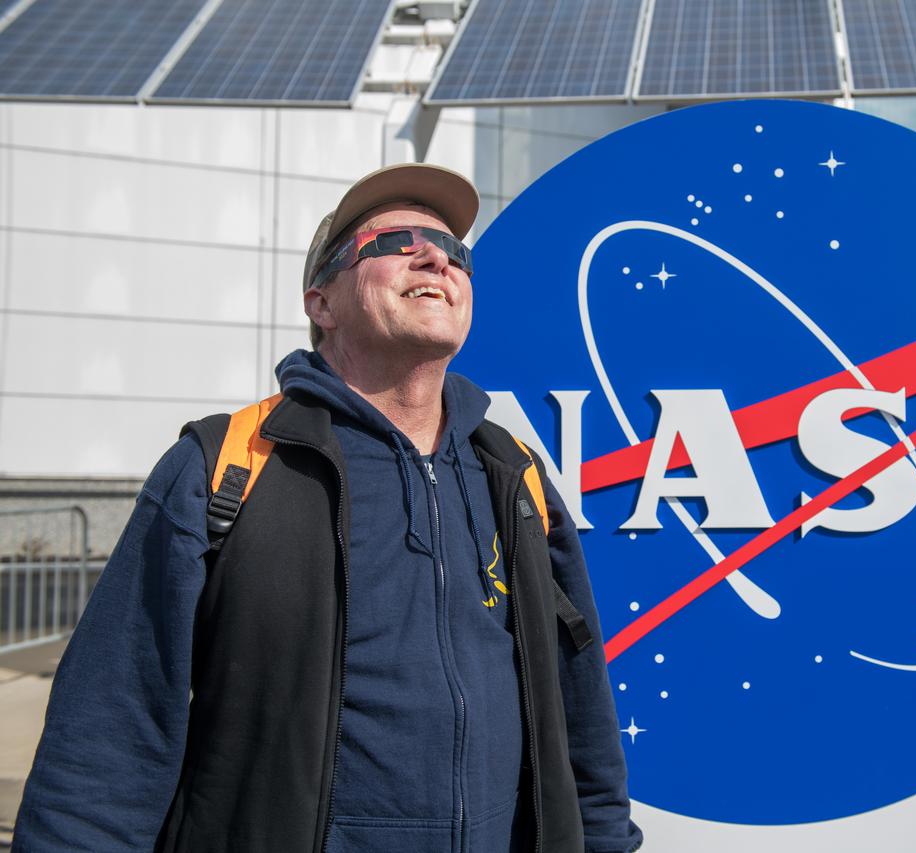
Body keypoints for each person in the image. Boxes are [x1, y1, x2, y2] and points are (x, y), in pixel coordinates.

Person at [14, 163, 644, 853]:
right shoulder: (228, 464)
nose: (437, 256)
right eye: (394, 242)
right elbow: (111, 728)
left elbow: (577, 703)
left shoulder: (514, 474)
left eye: (454, 252)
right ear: (322, 303)